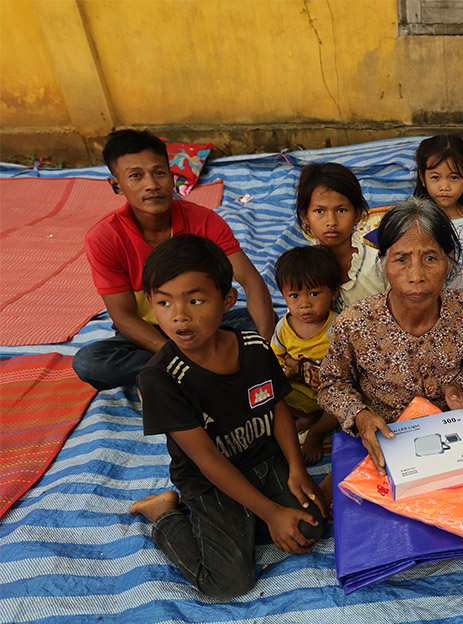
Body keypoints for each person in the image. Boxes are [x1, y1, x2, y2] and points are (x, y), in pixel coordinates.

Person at [129, 234, 328, 599]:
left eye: (195, 300)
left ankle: (246, 517)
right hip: (210, 480)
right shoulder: (160, 378)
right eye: (164, 302)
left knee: (312, 526)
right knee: (229, 583)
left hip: (263, 460)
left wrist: (296, 469)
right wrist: (270, 513)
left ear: (227, 300)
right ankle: (163, 514)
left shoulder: (252, 347)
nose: (179, 315)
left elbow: (278, 409)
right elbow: (206, 461)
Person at [74, 129, 274, 390]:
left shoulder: (204, 221)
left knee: (266, 324)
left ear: (171, 176)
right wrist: (180, 355)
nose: (152, 185)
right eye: (136, 176)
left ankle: (178, 372)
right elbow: (123, 316)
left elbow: (251, 281)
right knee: (90, 363)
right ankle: (199, 365)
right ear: (116, 185)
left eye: (159, 172)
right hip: (148, 336)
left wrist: (267, 350)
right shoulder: (104, 238)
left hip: (205, 325)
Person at [318, 197, 463, 475]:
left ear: (450, 261)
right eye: (401, 259)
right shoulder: (355, 325)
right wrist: (360, 416)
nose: (416, 275)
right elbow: (331, 385)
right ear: (383, 263)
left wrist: (457, 385)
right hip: (381, 441)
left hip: (448, 436)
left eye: (431, 258)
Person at [271, 245, 342, 465]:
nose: (304, 304)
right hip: (299, 391)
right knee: (271, 393)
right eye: (294, 295)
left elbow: (350, 366)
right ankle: (307, 417)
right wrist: (285, 369)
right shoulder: (284, 326)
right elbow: (275, 355)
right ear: (283, 296)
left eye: (314, 293)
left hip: (329, 395)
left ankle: (317, 432)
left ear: (333, 292)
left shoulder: (338, 326)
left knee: (344, 404)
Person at [295, 162, 386, 311]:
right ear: (306, 216)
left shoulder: (378, 266)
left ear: (357, 214)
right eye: (319, 211)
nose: (331, 222)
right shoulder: (301, 270)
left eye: (341, 210)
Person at [413, 135, 463, 302]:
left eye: (453, 177)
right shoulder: (412, 222)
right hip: (419, 313)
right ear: (422, 177)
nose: (444, 187)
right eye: (435, 177)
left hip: (462, 318)